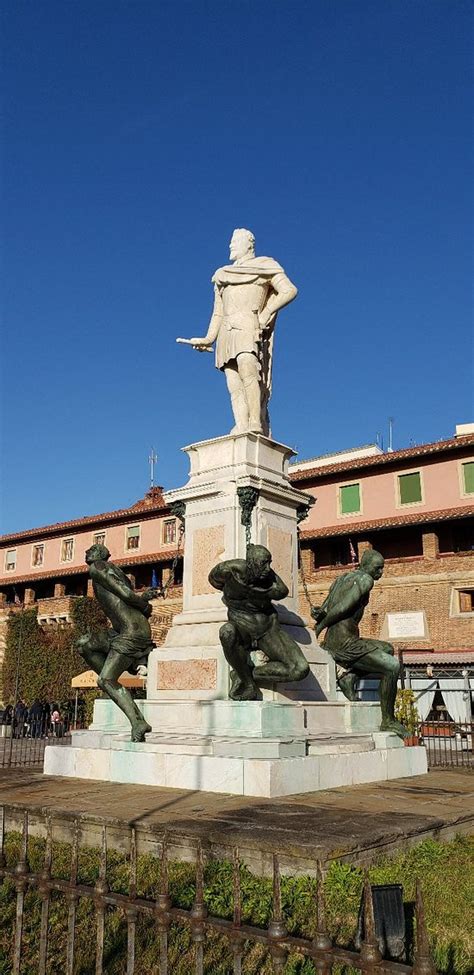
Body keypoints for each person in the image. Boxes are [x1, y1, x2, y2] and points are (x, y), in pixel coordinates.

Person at [180, 228, 298, 436]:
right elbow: (218, 312)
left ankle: (255, 422)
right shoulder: (222, 275)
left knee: (248, 369)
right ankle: (241, 424)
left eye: (235, 242)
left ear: (249, 244)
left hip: (248, 324)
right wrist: (208, 338)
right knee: (233, 382)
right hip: (226, 330)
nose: (230, 246)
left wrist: (266, 313)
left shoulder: (265, 266)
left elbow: (289, 291)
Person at [311, 549, 408, 737]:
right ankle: (388, 720)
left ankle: (350, 676)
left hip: (342, 639)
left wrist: (319, 615)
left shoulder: (341, 579)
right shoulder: (365, 579)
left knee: (387, 648)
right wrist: (320, 625)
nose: (381, 573)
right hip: (344, 643)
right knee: (392, 666)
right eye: (378, 568)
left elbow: (324, 608)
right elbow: (342, 607)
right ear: (366, 566)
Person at [209, 544, 309, 700]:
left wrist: (263, 586)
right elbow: (213, 580)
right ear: (250, 564)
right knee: (226, 632)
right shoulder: (228, 571)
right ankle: (248, 684)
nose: (268, 568)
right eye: (264, 563)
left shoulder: (273, 585)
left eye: (270, 563)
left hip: (267, 630)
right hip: (240, 627)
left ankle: (245, 673)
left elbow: (282, 592)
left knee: (299, 669)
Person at [76, 543, 155, 742]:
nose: (87, 551)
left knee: (105, 680)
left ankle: (138, 721)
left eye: (92, 548)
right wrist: (143, 599)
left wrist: (145, 605)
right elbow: (126, 596)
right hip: (121, 630)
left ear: (102, 554)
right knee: (84, 644)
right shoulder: (113, 570)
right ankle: (121, 676)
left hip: (132, 632)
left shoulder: (98, 567)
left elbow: (127, 595)